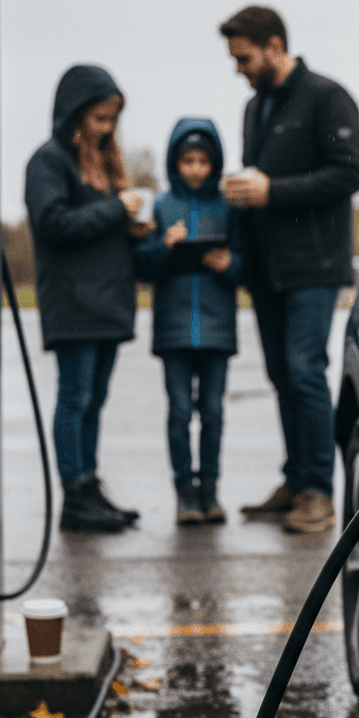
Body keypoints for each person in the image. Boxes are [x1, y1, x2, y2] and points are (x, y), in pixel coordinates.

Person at [219, 6, 359, 533]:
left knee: (305, 372)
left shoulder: (327, 97)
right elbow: (259, 179)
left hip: (314, 266)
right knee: (283, 376)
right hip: (266, 268)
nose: (238, 68)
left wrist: (270, 191)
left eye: (244, 57)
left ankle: (319, 495)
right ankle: (297, 478)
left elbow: (349, 174)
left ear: (274, 46)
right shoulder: (254, 107)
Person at [25, 64, 152, 532]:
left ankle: (91, 485)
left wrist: (137, 231)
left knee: (94, 399)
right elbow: (53, 224)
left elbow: (101, 230)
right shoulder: (48, 162)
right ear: (74, 113)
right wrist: (116, 209)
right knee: (74, 397)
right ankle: (74, 493)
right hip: (73, 304)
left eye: (112, 118)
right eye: (99, 117)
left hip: (108, 305)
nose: (106, 127)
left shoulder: (107, 164)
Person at [135, 119, 242, 525]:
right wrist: (164, 247)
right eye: (187, 160)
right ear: (174, 163)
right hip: (173, 331)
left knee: (212, 413)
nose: (195, 168)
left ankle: (210, 491)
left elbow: (245, 264)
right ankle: (184, 493)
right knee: (180, 413)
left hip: (218, 330)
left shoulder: (228, 206)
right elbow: (143, 266)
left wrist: (230, 264)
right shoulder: (160, 207)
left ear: (214, 163)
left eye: (202, 160)